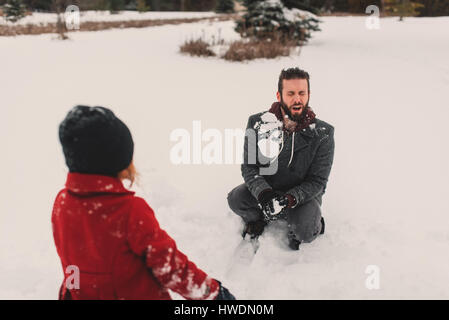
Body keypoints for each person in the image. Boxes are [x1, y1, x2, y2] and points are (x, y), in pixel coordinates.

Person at [52, 105, 235, 300]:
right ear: (119, 160)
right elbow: (170, 267)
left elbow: (71, 267)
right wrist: (213, 293)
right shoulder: (129, 211)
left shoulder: (62, 204)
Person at [227, 68, 335, 250]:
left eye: (302, 93)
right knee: (236, 199)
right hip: (267, 190)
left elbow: (318, 181)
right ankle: (259, 218)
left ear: (309, 95)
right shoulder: (257, 123)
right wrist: (264, 194)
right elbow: (249, 168)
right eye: (290, 93)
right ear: (279, 95)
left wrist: (290, 199)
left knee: (306, 231)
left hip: (301, 198)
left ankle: (311, 223)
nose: (297, 99)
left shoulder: (323, 133)